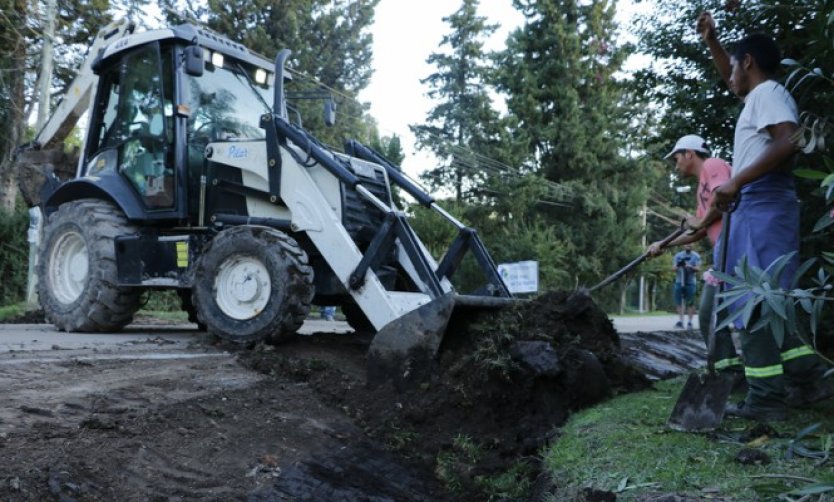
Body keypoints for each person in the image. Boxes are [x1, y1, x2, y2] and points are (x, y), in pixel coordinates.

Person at [697, 12, 833, 421]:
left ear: (750, 63)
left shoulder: (768, 94)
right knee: (766, 302)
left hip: (762, 202)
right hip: (756, 205)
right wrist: (714, 43)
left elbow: (789, 139)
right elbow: (734, 82)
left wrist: (736, 182)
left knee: (753, 300)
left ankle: (765, 401)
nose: (730, 77)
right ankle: (810, 378)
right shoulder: (760, 95)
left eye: (735, 66)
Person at [648, 134, 742, 374]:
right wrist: (664, 245)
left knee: (719, 315)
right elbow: (699, 230)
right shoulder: (701, 187)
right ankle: (728, 372)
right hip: (724, 255)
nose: (675, 163)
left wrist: (699, 221)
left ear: (689, 153)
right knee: (708, 316)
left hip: (738, 250)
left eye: (677, 157)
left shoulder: (713, 165)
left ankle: (734, 373)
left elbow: (723, 198)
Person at [671, 245, 700, 330]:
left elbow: (698, 268)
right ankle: (680, 321)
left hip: (690, 282)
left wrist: (690, 266)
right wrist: (678, 265)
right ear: (684, 245)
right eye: (687, 244)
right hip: (679, 281)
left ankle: (690, 322)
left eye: (691, 244)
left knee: (690, 302)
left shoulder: (696, 256)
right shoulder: (678, 255)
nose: (689, 245)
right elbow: (673, 268)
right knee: (679, 301)